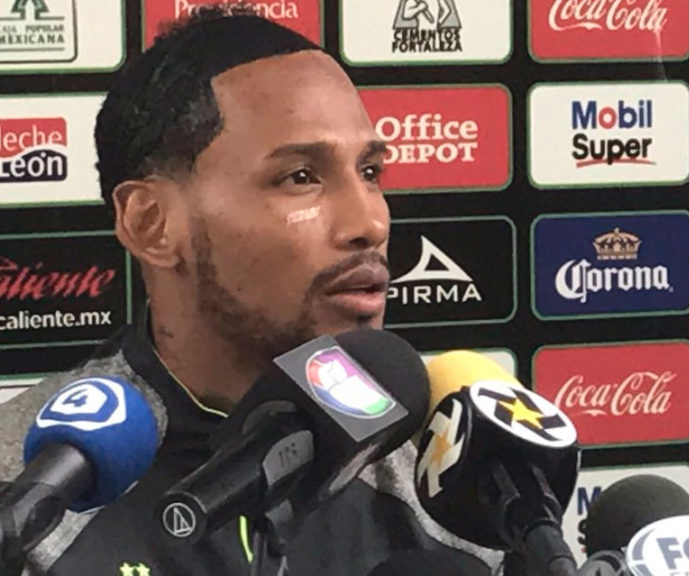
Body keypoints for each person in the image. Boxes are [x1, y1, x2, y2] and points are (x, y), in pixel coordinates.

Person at [0, 8, 504, 576]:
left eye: (369, 172)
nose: (370, 223)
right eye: (301, 177)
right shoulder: (23, 501)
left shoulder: (454, 488)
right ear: (151, 223)